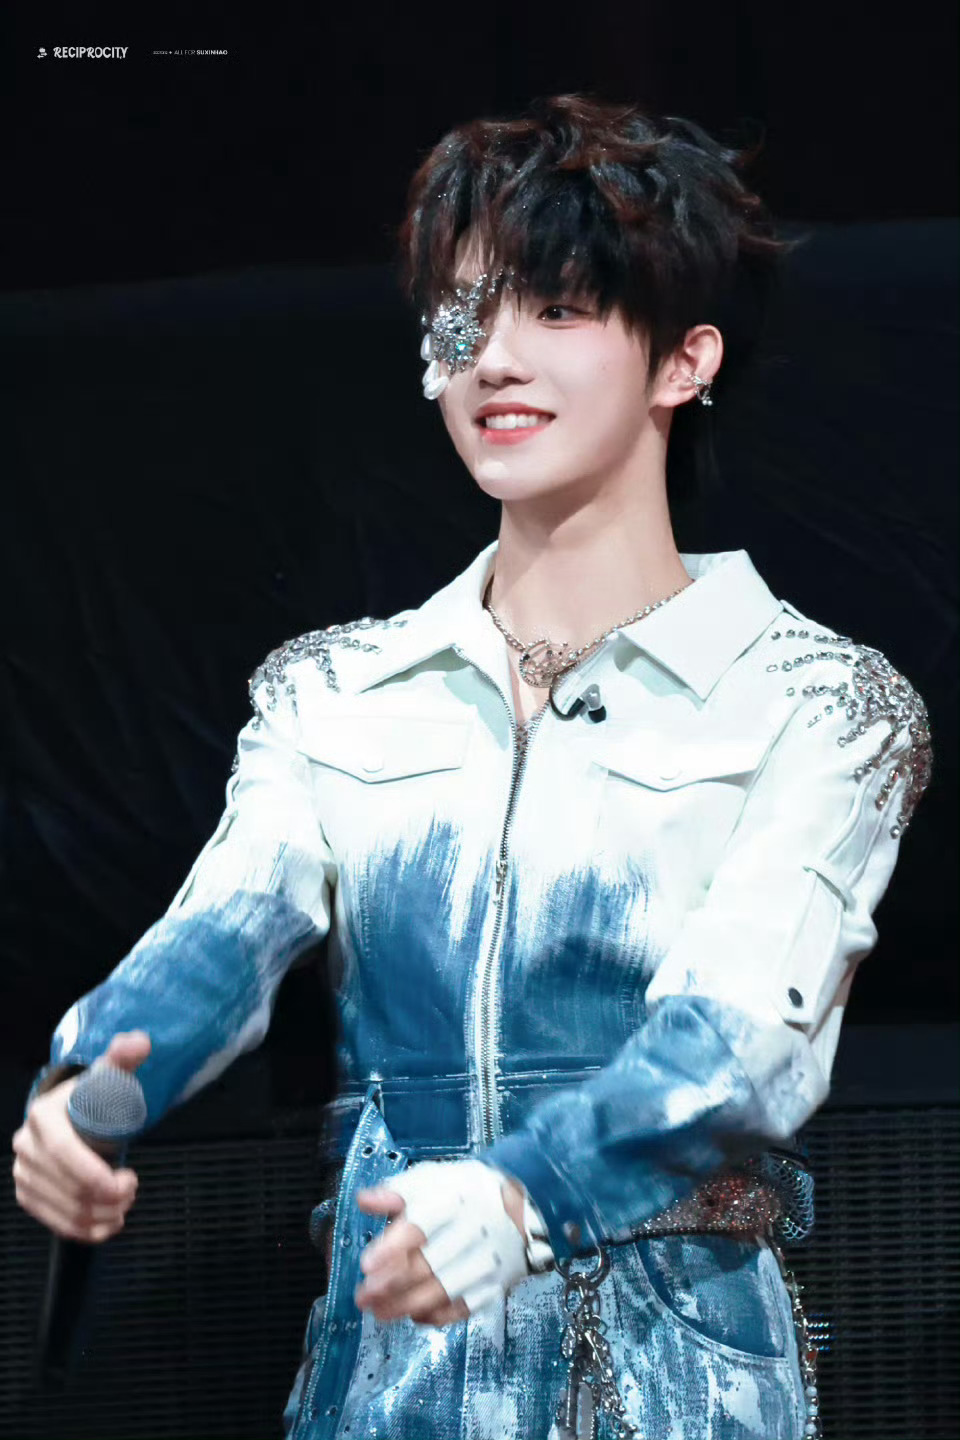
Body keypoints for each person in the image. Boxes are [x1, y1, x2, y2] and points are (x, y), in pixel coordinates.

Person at [12, 95, 932, 1440]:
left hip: (673, 1385)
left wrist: (523, 1198)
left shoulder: (816, 700)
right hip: (389, 1381)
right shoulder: (335, 695)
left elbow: (743, 1041)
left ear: (683, 361)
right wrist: (89, 1085)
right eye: (463, 315)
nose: (493, 357)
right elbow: (223, 932)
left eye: (556, 310)